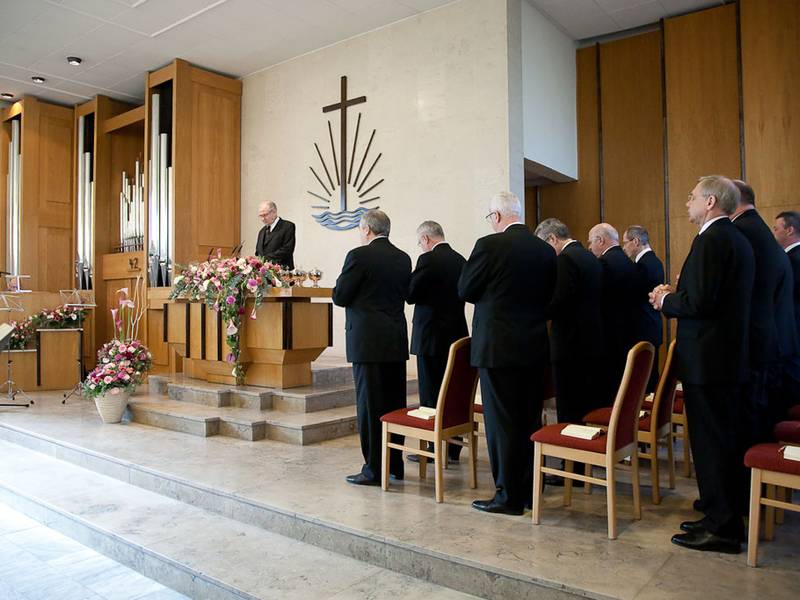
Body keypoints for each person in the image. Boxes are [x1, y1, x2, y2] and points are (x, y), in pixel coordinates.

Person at [650, 175, 754, 554]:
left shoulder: (713, 240)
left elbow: (700, 304)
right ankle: (716, 516)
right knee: (716, 442)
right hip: (721, 359)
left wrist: (666, 302)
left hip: (709, 361)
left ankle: (723, 528)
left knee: (712, 444)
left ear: (711, 202)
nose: (687, 203)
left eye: (692, 197)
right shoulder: (732, 239)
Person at [458, 191, 556, 515]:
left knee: (501, 423)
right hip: (533, 347)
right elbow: (550, 297)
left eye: (490, 217)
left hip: (497, 348)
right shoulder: (544, 250)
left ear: (497, 217)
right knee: (528, 418)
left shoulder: (489, 245)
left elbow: (465, 289)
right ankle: (528, 490)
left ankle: (508, 496)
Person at [332, 209, 411, 486]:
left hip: (367, 342)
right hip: (394, 339)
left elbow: (340, 295)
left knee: (369, 406)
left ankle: (374, 469)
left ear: (366, 230)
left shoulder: (359, 255)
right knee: (394, 403)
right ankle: (395, 465)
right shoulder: (403, 257)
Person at [535, 217, 603, 487]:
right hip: (591, 341)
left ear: (552, 239)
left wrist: (535, 312)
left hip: (570, 344)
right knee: (584, 405)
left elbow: (559, 300)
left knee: (569, 407)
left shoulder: (566, 259)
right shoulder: (588, 258)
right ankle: (582, 463)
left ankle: (571, 468)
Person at [730, 181, 797, 443]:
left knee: (756, 427)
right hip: (779, 341)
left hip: (765, 348)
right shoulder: (764, 237)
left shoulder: (744, 233)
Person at [407, 221, 468, 464]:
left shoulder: (427, 260)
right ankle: (454, 448)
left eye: (420, 242)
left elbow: (411, 294)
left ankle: (432, 448)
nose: (421, 247)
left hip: (430, 336)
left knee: (430, 393)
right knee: (454, 390)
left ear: (425, 238)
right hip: (456, 335)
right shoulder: (460, 260)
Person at [588, 223, 639, 404]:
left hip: (608, 335)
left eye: (590, 242)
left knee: (609, 392)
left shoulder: (603, 263)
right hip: (630, 332)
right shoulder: (629, 262)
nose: (589, 247)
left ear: (600, 240)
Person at [622, 225, 665, 393]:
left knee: (643, 383)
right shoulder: (655, 261)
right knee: (650, 378)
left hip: (642, 329)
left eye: (625, 243)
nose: (624, 247)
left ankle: (645, 418)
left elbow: (632, 299)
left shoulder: (642, 266)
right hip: (652, 326)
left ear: (636, 241)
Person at [772, 210, 800, 407]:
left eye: (776, 228)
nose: (773, 233)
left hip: (791, 332)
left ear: (789, 230)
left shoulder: (792, 261)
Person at [255, 201, 296, 268]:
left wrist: (265, 259)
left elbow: (287, 250)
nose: (263, 219)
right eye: (261, 216)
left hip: (283, 271)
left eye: (265, 215)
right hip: (264, 274)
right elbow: (258, 252)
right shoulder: (262, 231)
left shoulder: (288, 226)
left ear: (274, 212)